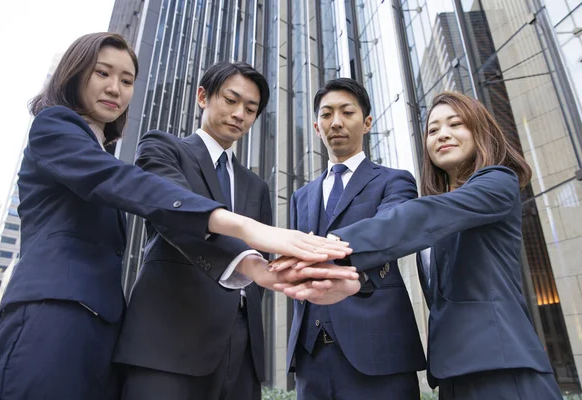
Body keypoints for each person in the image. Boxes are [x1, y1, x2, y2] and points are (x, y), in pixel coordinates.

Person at [0, 33, 355, 400]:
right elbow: (150, 200)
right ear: (202, 97)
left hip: (167, 336)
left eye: (127, 81)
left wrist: (301, 268)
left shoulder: (253, 185)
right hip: (83, 318)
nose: (115, 88)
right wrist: (245, 229)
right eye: (102, 73)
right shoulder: (90, 135)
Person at [275, 91, 562, 399]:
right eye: (433, 129)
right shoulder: (440, 206)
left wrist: (332, 246)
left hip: (502, 365)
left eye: (456, 124)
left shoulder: (497, 182)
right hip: (453, 370)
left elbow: (420, 217)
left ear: (481, 130)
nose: (443, 135)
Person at [115, 62, 274, 400]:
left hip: (241, 350)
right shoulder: (162, 148)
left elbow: (265, 261)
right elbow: (175, 219)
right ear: (203, 96)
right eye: (231, 100)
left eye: (250, 109)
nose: (239, 114)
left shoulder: (257, 186)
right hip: (169, 340)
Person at [282, 78, 425, 399]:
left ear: (367, 122)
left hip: (379, 352)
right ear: (317, 128)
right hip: (312, 358)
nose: (336, 122)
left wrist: (323, 252)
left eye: (347, 112)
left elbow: (390, 230)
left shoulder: (395, 181)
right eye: (326, 114)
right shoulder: (300, 197)